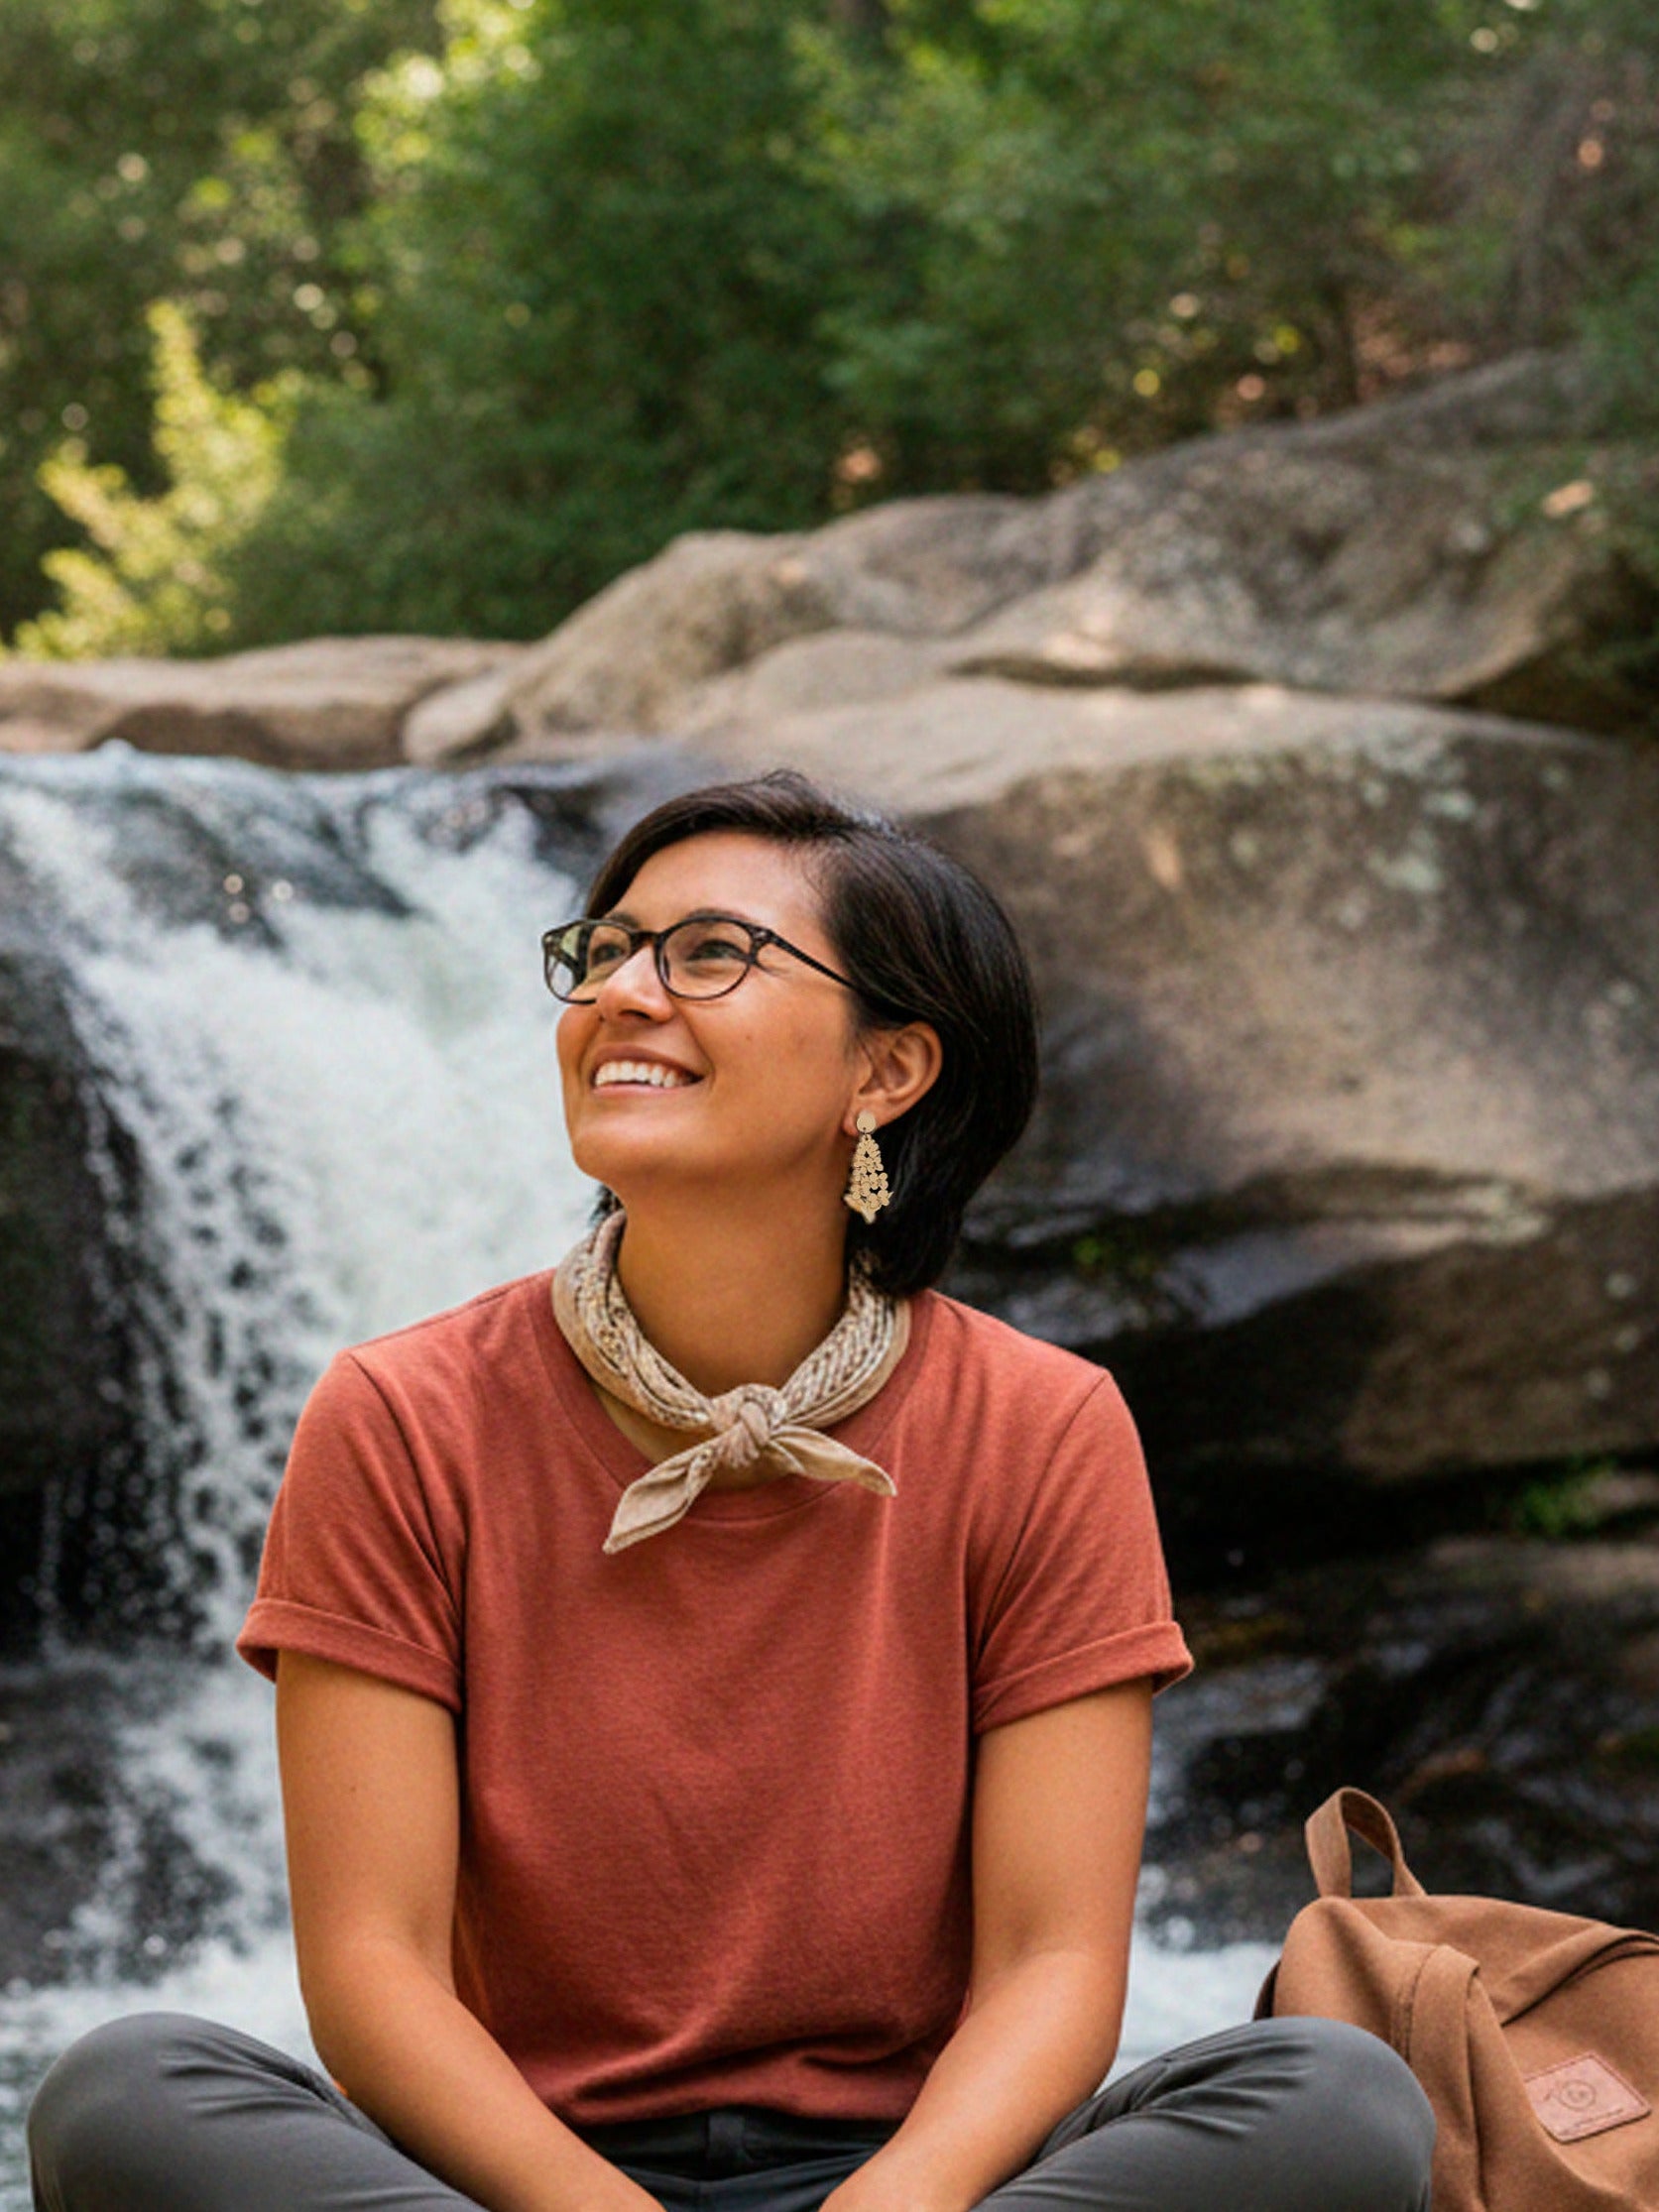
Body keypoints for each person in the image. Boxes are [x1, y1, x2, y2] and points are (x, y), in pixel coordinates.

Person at [26, 768, 1435, 2212]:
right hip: (507, 2181)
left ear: (885, 1074)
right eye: (608, 950)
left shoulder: (1042, 1423)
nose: (624, 992)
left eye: (709, 954)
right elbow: (373, 1969)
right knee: (126, 2093)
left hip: (918, 2183)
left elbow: (1054, 1965)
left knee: (1333, 2102)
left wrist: (893, 2208)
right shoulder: (400, 1414)